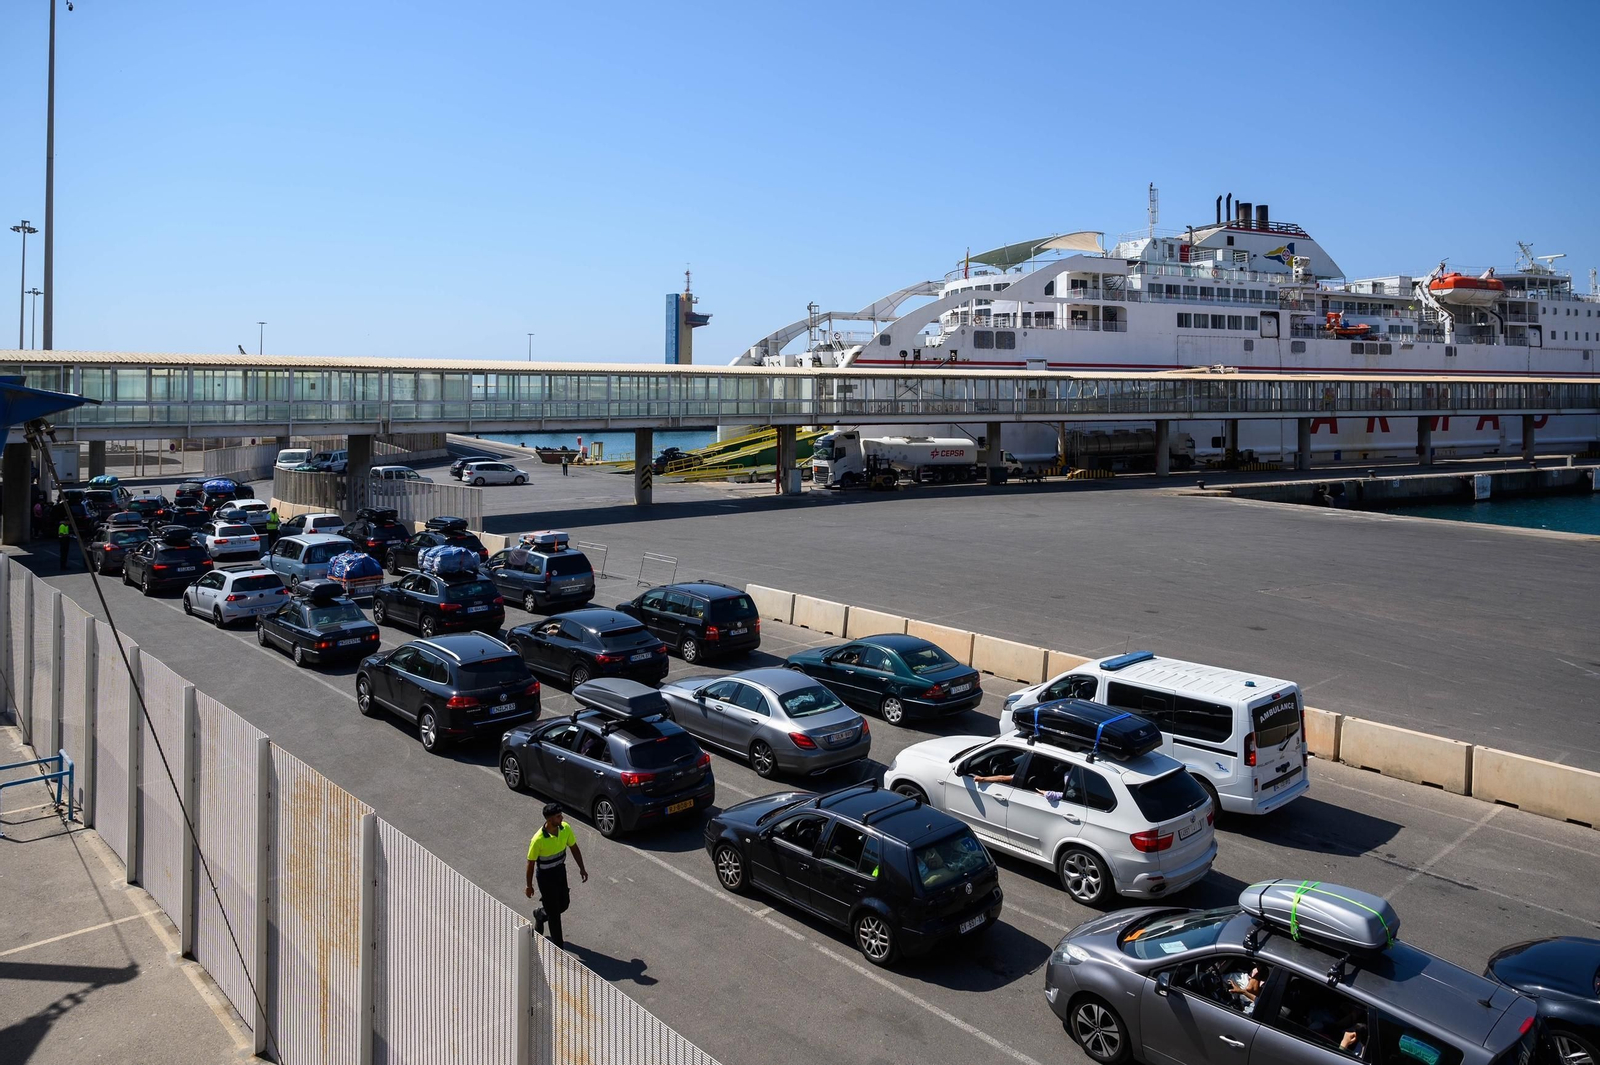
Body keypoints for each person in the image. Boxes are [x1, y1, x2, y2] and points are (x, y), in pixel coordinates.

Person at [525, 802, 588, 948]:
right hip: (545, 878)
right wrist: (529, 885)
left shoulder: (565, 828)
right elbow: (531, 863)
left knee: (564, 904)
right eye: (558, 816)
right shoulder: (538, 839)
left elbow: (574, 848)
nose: (562, 818)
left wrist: (582, 868)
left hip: (560, 872)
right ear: (549, 819)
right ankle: (559, 949)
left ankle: (541, 914)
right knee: (554, 916)